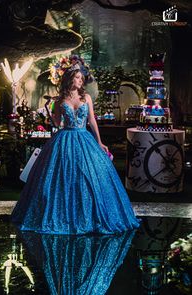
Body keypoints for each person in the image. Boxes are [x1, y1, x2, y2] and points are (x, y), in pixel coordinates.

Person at [11, 62, 140, 234]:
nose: (81, 81)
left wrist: (99, 142)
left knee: (89, 176)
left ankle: (88, 214)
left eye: (81, 78)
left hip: (84, 138)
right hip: (64, 138)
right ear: (70, 79)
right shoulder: (60, 100)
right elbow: (57, 124)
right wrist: (50, 113)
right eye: (78, 78)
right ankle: (60, 214)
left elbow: (92, 121)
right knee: (60, 177)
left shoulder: (85, 98)